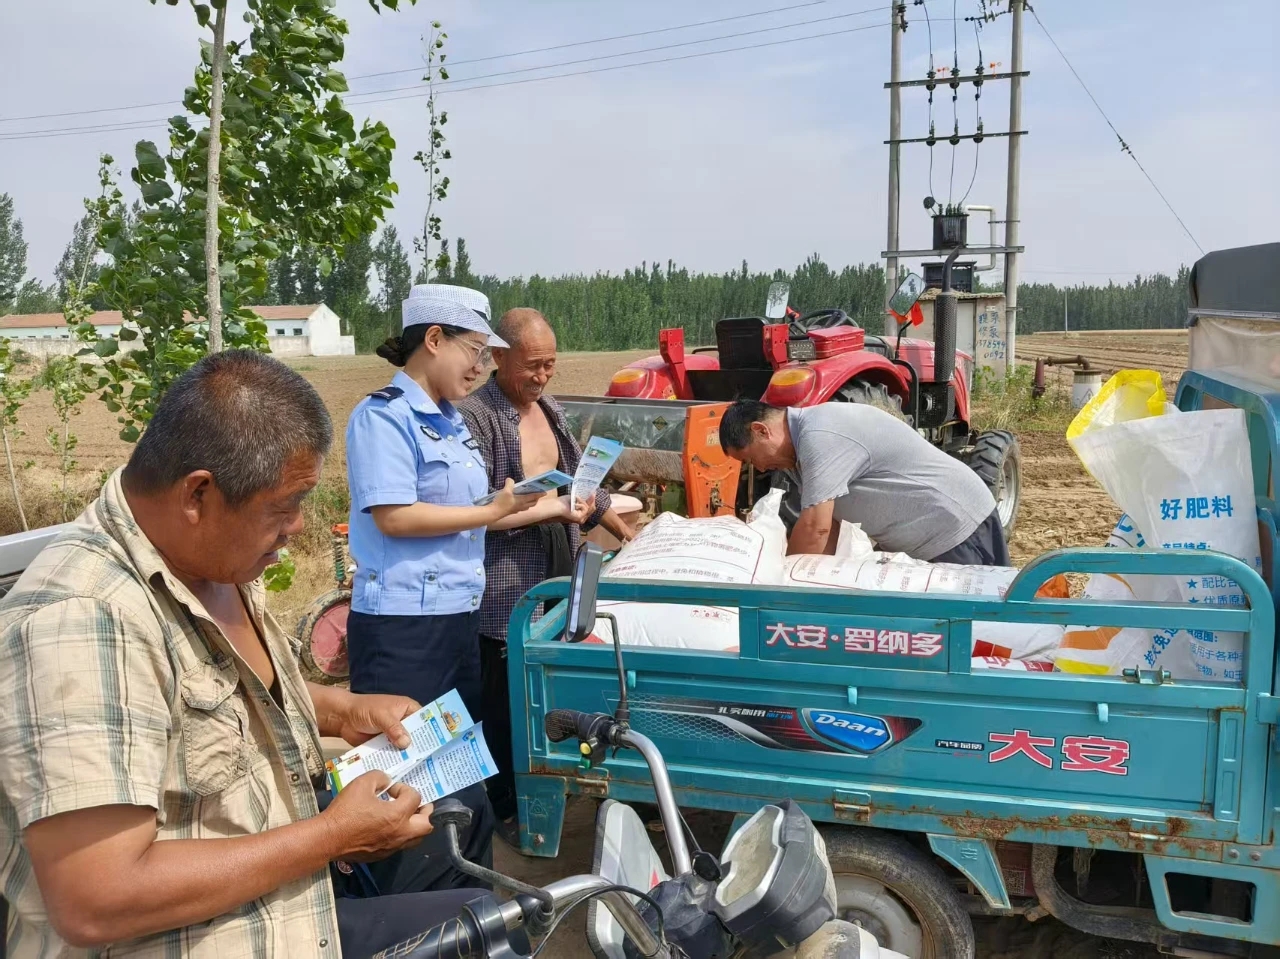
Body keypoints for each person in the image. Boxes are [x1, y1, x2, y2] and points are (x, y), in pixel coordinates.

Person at [0, 350, 498, 959]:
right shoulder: (82, 620)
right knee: (484, 929)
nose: (297, 527)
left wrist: (341, 710)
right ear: (198, 494)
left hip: (276, 870)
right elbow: (97, 898)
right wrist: (331, 837)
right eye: (285, 506)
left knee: (466, 817)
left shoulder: (210, 559)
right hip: (203, 934)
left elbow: (202, 696)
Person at [343, 284, 540, 887]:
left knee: (457, 768)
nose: (481, 367)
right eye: (475, 351)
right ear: (434, 339)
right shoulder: (383, 416)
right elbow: (394, 516)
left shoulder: (453, 424)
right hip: (404, 627)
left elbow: (472, 514)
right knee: (407, 775)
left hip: (456, 619)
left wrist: (530, 507)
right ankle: (405, 909)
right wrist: (488, 512)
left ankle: (467, 898)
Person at [460, 308, 635, 846]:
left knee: (554, 680)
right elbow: (473, 512)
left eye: (550, 365)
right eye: (532, 365)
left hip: (560, 560)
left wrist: (626, 536)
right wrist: (549, 510)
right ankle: (505, 805)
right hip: (505, 579)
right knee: (504, 700)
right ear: (499, 356)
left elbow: (585, 485)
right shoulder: (476, 418)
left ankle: (550, 775)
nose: (541, 376)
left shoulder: (551, 410)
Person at [719, 399, 1008, 565]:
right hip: (924, 542)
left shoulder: (820, 435)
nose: (759, 467)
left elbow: (816, 527)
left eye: (751, 458)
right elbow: (829, 528)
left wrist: (782, 586)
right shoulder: (797, 460)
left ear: (761, 431)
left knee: (978, 635)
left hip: (957, 528)